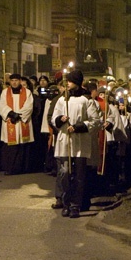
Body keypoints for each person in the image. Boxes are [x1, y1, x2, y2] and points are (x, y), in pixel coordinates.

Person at [51, 70, 100, 218]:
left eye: (70, 81)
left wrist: (79, 126)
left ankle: (75, 205)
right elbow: (54, 119)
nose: (68, 84)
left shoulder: (86, 100)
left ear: (77, 83)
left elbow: (95, 121)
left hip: (79, 143)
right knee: (65, 173)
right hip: (65, 141)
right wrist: (60, 119)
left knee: (79, 176)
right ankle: (66, 202)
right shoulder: (62, 100)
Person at [0, 73, 35, 175]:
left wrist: (18, 115)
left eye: (16, 80)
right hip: (10, 121)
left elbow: (29, 106)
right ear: (10, 82)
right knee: (11, 147)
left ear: (20, 81)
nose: (14, 82)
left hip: (22, 121)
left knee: (22, 146)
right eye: (12, 80)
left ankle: (23, 168)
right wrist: (11, 114)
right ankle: (10, 168)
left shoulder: (27, 92)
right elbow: (2, 105)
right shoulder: (5, 92)